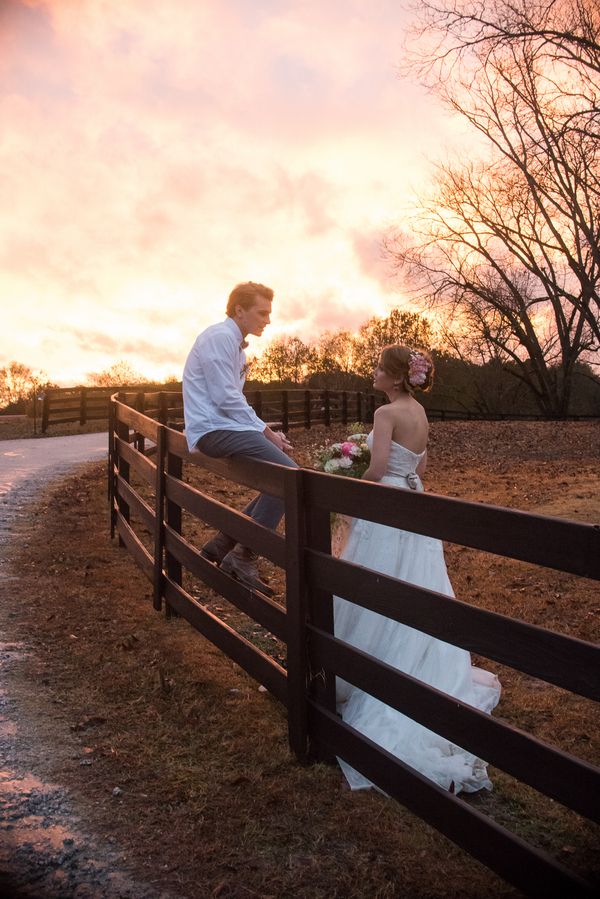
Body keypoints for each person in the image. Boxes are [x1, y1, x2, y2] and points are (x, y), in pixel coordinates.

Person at [334, 344, 501, 794]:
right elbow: (420, 464)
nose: (371, 372)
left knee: (376, 581)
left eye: (376, 367)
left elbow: (382, 466)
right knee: (418, 581)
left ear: (392, 376)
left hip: (388, 501)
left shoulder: (386, 414)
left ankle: (366, 673)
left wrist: (344, 484)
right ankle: (419, 668)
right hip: (415, 498)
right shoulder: (421, 412)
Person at [182, 282, 297, 596]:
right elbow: (225, 398)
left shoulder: (231, 343)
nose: (267, 320)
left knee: (281, 478)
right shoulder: (219, 338)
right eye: (262, 313)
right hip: (214, 431)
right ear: (239, 310)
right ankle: (243, 555)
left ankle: (222, 545)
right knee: (289, 478)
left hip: (222, 428)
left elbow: (228, 400)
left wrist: (267, 433)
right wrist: (267, 433)